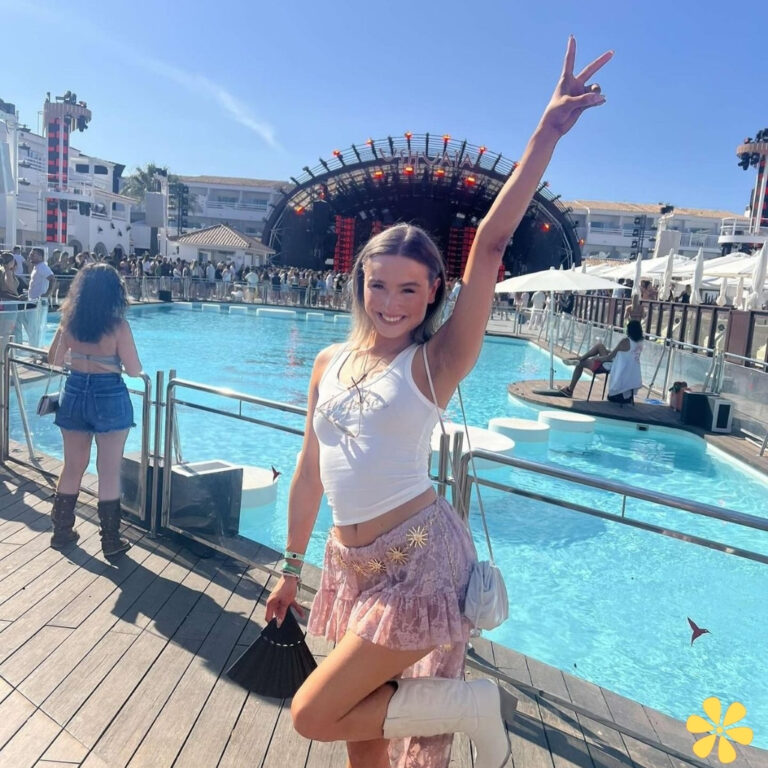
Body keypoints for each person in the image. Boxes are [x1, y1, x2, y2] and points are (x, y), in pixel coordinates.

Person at [265, 37, 611, 768]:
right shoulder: (329, 360)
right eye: (378, 284)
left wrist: (545, 134)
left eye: (409, 289)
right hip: (349, 565)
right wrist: (290, 568)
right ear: (359, 283)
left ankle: (471, 705)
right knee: (363, 737)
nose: (390, 302)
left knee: (311, 712)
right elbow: (307, 471)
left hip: (421, 561)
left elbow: (489, 246)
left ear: (433, 296)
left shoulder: (436, 362)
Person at [47, 264, 142, 557]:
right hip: (109, 395)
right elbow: (135, 369)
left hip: (74, 392)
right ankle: (110, 541)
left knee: (73, 465)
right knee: (109, 470)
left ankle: (62, 531)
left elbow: (53, 359)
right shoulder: (118, 326)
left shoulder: (69, 322)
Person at [559, 319, 643, 401]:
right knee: (600, 346)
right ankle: (580, 358)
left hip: (614, 366)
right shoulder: (640, 342)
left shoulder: (625, 341)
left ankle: (570, 390)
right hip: (624, 367)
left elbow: (608, 358)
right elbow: (624, 354)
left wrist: (597, 358)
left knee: (580, 363)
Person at [22, 248, 55, 347]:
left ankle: (36, 350)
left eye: (33, 255)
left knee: (35, 327)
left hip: (38, 302)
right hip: (32, 301)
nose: (30, 256)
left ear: (41, 256)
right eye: (30, 254)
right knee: (31, 326)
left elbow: (53, 280)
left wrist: (47, 294)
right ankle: (34, 348)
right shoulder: (36, 267)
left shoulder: (42, 267)